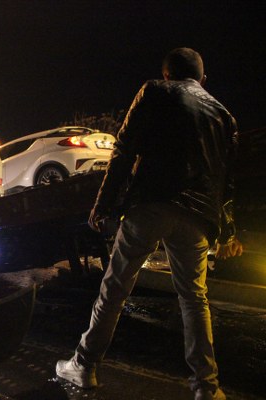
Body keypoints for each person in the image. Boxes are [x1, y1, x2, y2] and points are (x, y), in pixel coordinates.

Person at [55, 48, 243, 400]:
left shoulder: (154, 91)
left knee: (115, 289)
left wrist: (103, 204)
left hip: (151, 204)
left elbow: (124, 150)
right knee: (194, 298)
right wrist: (228, 230)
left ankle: (84, 366)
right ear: (202, 80)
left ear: (168, 74)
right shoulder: (223, 115)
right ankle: (207, 387)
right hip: (198, 217)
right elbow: (227, 179)